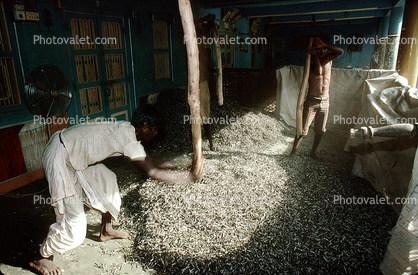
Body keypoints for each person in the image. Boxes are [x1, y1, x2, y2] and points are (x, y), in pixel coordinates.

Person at [29, 104, 202, 275]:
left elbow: (152, 161)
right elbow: (153, 172)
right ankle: (41, 257)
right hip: (61, 155)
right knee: (75, 226)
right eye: (154, 129)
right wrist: (188, 178)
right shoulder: (128, 139)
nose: (156, 133)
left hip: (73, 154)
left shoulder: (128, 130)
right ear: (144, 126)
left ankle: (106, 230)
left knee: (108, 179)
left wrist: (185, 164)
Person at [290, 37, 343, 159]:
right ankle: (293, 152)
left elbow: (340, 51)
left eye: (323, 49)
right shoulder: (310, 61)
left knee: (321, 130)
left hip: (325, 100)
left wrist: (325, 45)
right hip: (312, 100)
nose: (322, 51)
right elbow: (318, 72)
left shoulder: (329, 58)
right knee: (302, 129)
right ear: (314, 50)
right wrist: (313, 55)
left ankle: (313, 152)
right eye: (319, 49)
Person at [194, 14, 216, 151]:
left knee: (205, 116)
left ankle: (210, 143)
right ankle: (198, 145)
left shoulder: (205, 48)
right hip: (193, 86)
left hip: (202, 83)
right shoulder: (195, 47)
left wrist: (208, 23)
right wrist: (205, 21)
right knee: (195, 117)